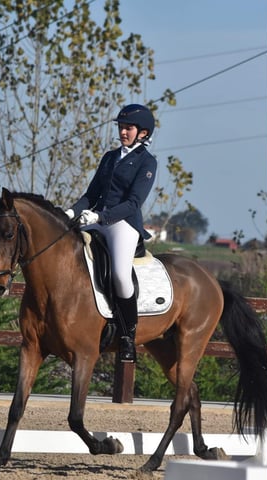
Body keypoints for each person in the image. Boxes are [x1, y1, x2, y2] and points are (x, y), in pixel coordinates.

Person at [64, 104, 157, 363]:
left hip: (123, 223)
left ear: (142, 132)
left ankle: (128, 336)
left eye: (128, 128)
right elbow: (91, 194)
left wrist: (101, 217)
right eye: (121, 127)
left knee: (119, 274)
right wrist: (71, 213)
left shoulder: (147, 162)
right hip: (97, 219)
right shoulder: (109, 157)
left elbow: (133, 203)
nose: (123, 132)